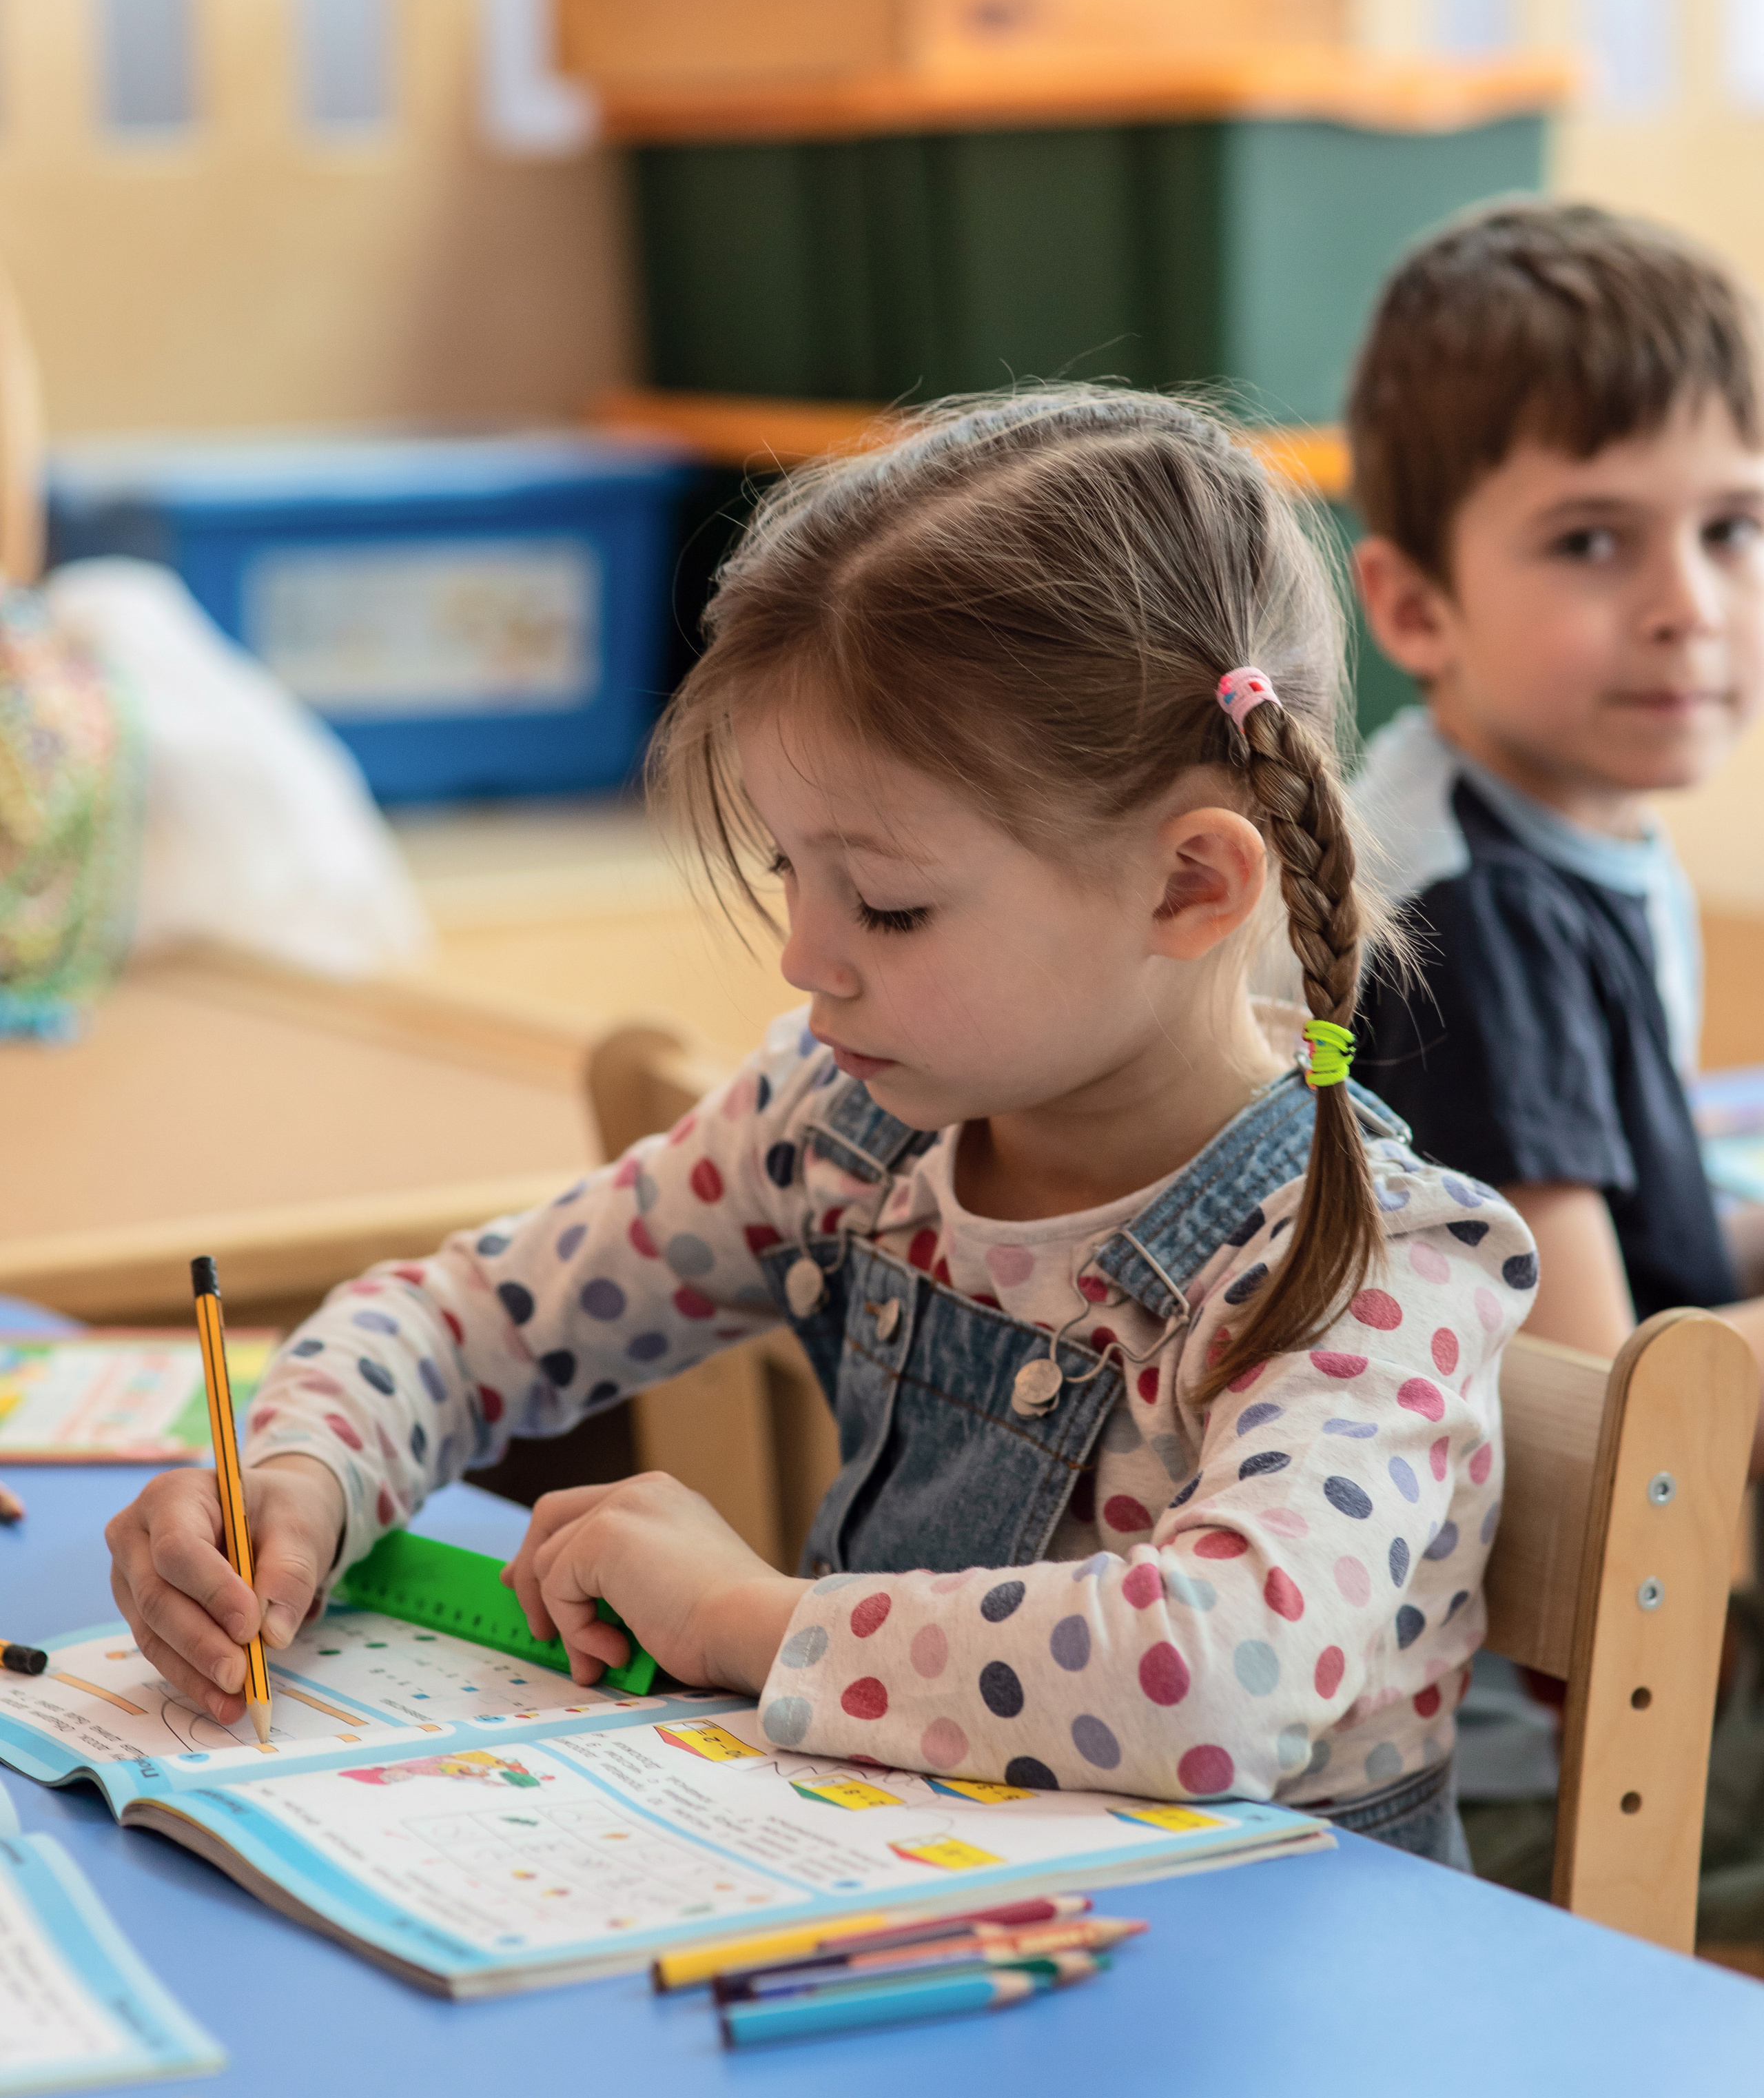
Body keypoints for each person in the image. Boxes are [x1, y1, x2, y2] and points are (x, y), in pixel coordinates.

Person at [105, 388, 1537, 1862]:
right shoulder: (846, 1126)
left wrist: (745, 1620)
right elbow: (469, 1319)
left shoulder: (1368, 1267)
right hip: (877, 1903)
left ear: (1188, 886)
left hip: (1257, 2014)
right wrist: (299, 1474)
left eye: (889, 904)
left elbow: (1209, 1683)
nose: (802, 958)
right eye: (789, 870)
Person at [1348, 201, 1764, 1424]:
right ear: (1417, 607)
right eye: (1591, 541)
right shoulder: (1478, 924)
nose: (1685, 604)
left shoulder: (1558, 813)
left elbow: (1654, 1249)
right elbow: (1602, 1422)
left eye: (1732, 528)